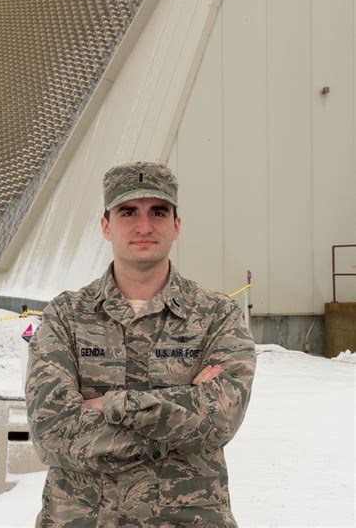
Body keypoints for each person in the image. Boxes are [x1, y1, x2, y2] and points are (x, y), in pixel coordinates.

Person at [26, 162, 256, 527]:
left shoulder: (216, 315)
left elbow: (219, 421)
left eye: (159, 212)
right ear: (106, 226)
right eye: (128, 212)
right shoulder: (66, 316)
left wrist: (110, 404)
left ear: (176, 225)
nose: (144, 226)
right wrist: (180, 409)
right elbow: (51, 433)